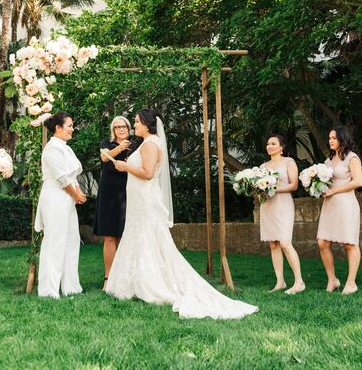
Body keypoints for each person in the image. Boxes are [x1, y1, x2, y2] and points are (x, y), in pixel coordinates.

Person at [106, 108, 257, 319]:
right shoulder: (148, 143)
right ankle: (133, 283)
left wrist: (125, 167)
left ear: (148, 124)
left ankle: (151, 284)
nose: (135, 125)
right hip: (139, 200)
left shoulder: (150, 144)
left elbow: (148, 174)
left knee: (148, 237)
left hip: (145, 200)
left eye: (137, 121)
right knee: (140, 237)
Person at [35, 111, 86, 298]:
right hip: (55, 197)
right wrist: (76, 194)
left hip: (67, 197)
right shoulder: (52, 148)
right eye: (70, 126)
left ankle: (70, 286)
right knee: (54, 241)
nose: (73, 129)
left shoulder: (65, 147)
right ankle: (49, 290)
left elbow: (71, 175)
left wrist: (78, 193)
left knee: (72, 240)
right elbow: (61, 178)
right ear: (58, 128)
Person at [317, 127, 362, 294]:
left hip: (346, 203)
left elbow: (358, 182)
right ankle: (332, 279)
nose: (331, 140)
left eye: (334, 138)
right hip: (329, 204)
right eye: (329, 138)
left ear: (343, 139)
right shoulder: (329, 160)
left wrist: (334, 191)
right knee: (322, 242)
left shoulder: (352, 158)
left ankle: (351, 283)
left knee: (349, 243)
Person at [259, 134, 306, 294]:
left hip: (283, 204)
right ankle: (280, 281)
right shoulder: (263, 166)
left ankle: (299, 281)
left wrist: (273, 189)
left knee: (285, 242)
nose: (269, 146)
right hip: (268, 205)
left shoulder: (289, 162)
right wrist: (259, 192)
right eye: (268, 144)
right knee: (273, 243)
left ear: (281, 146)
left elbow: (294, 185)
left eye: (273, 143)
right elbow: (259, 187)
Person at [94, 116, 133, 289]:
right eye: (117, 127)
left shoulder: (135, 144)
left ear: (129, 128)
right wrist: (119, 149)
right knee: (109, 236)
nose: (121, 129)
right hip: (108, 193)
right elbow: (104, 158)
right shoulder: (107, 143)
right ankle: (108, 278)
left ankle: (125, 278)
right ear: (113, 130)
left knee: (125, 236)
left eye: (124, 126)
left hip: (128, 192)